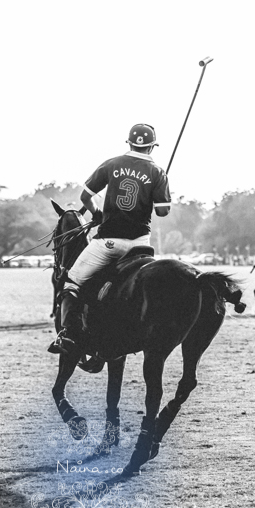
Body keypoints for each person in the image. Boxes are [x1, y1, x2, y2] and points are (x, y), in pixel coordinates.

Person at [47, 123, 171, 355]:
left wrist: (96, 214)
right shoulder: (158, 172)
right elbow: (163, 211)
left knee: (71, 282)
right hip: (140, 246)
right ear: (152, 147)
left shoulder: (112, 164)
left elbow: (85, 196)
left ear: (129, 143)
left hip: (108, 242)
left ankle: (68, 335)